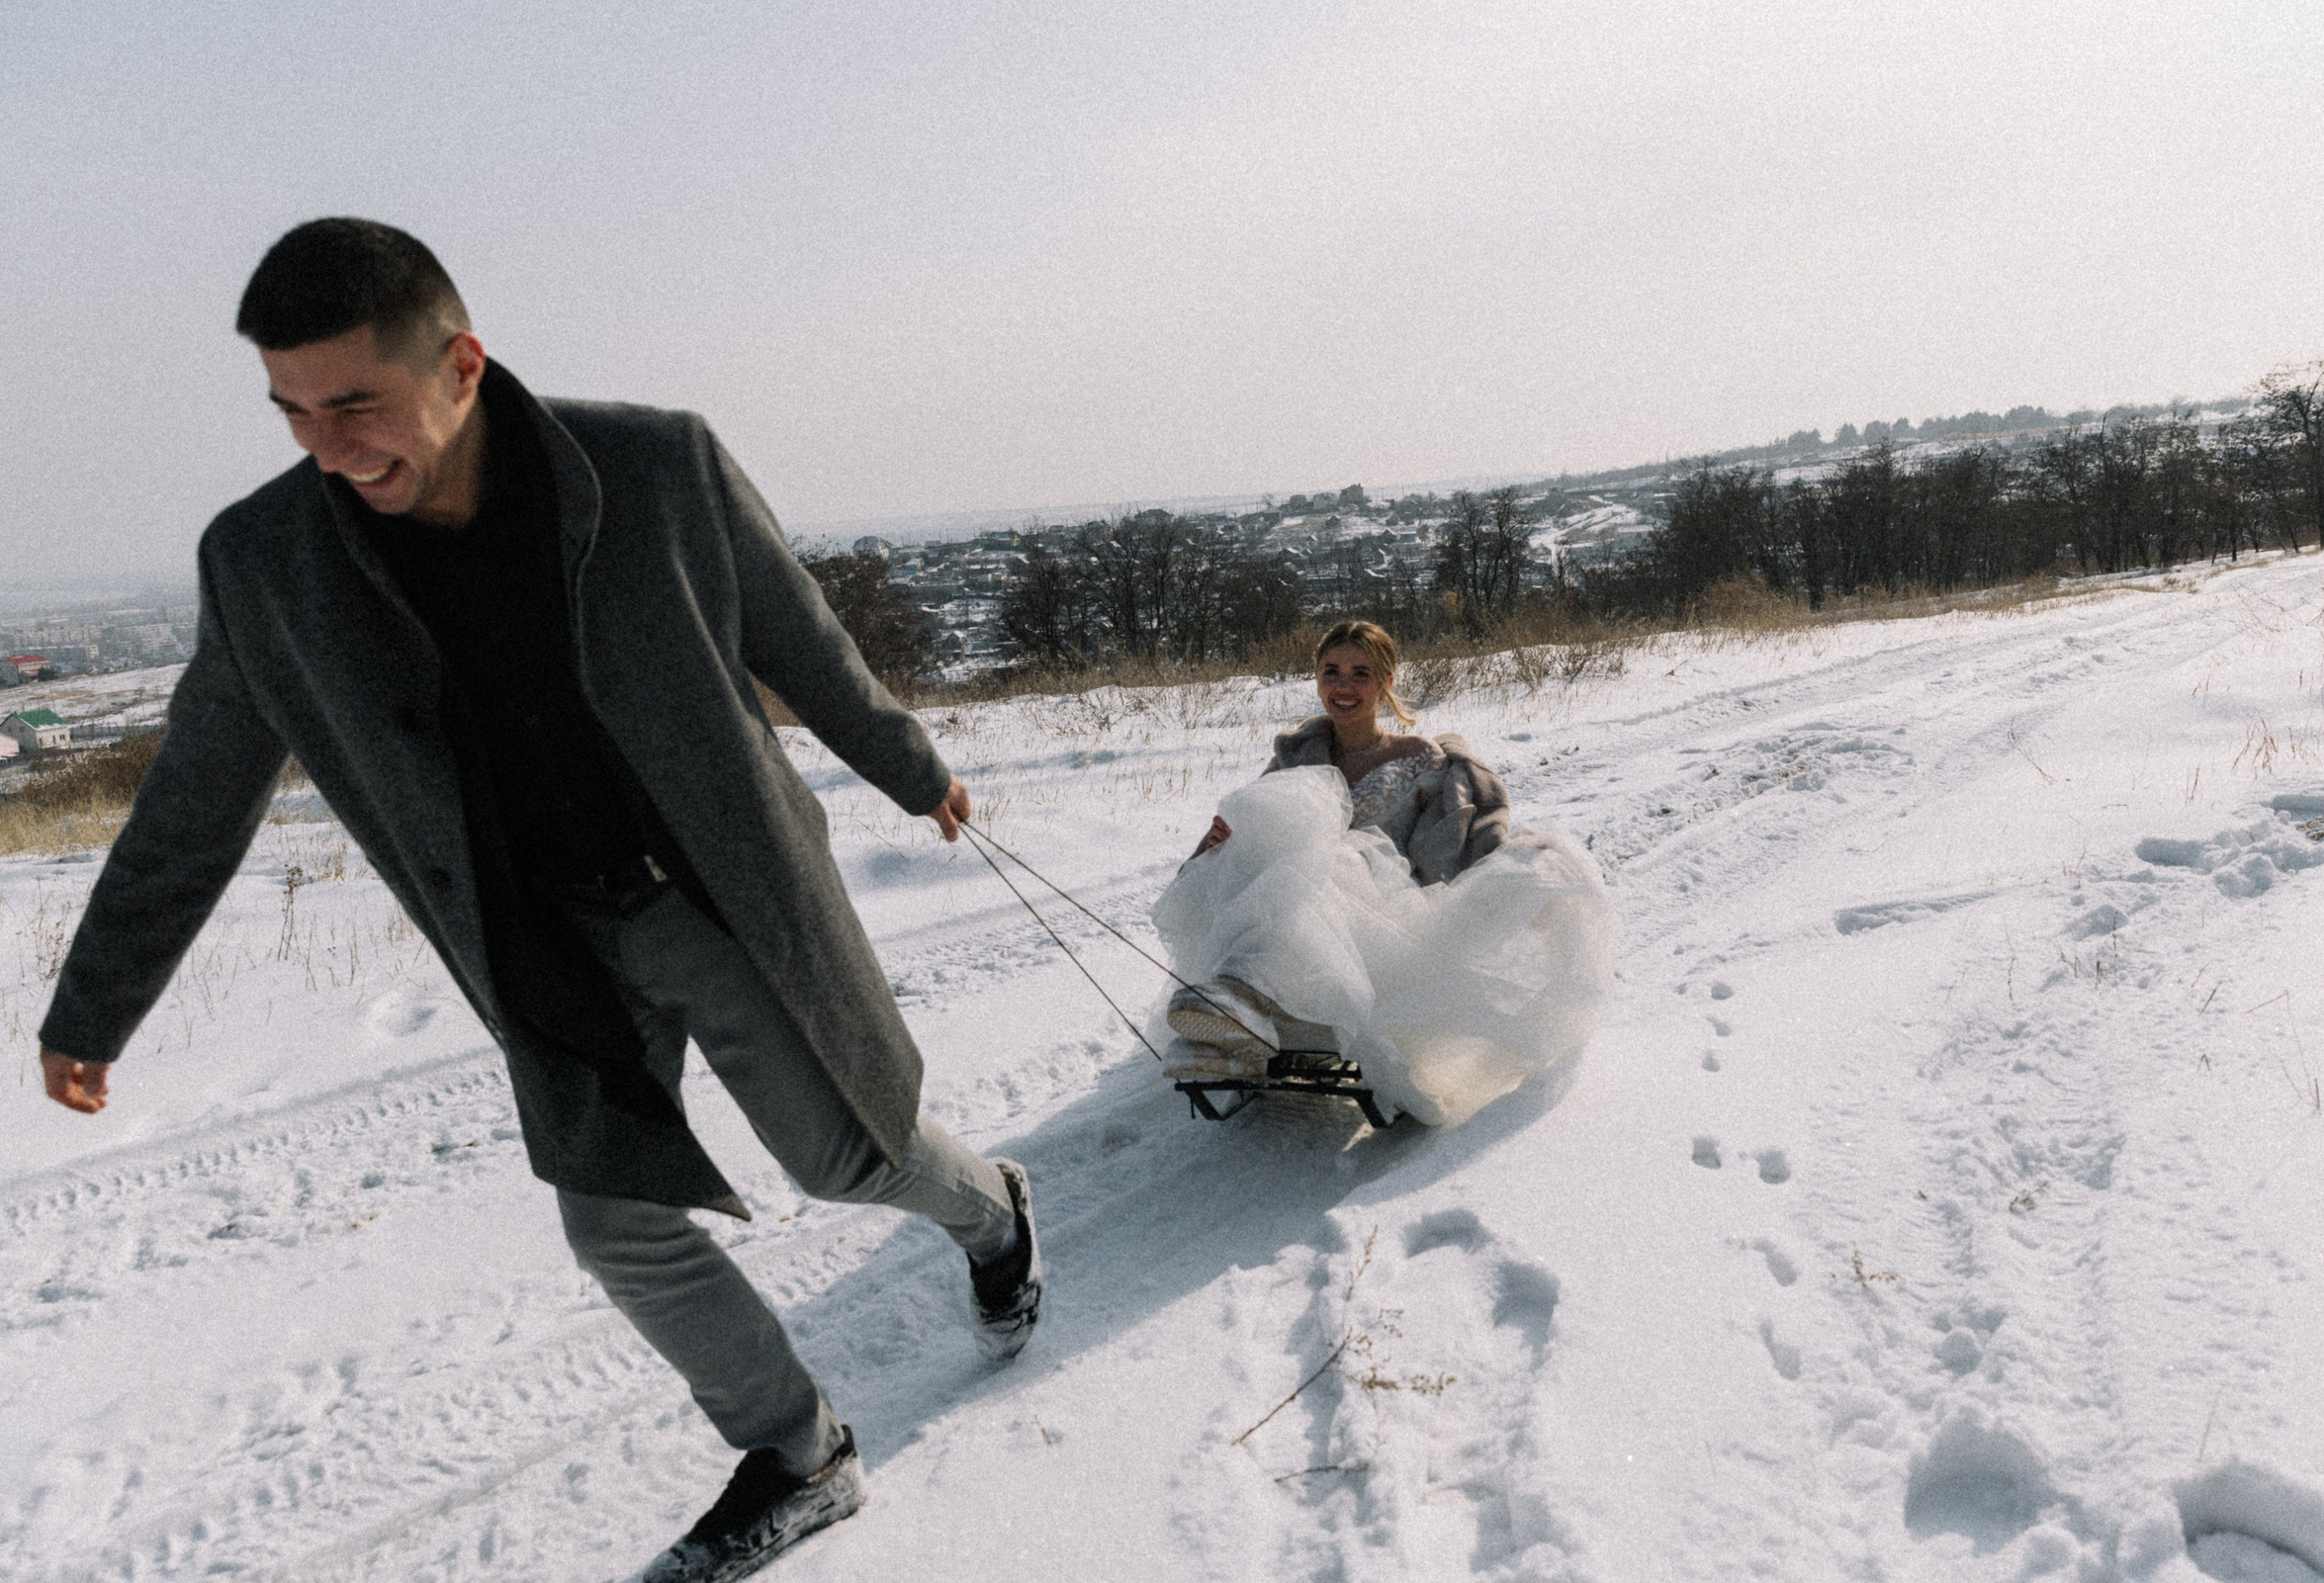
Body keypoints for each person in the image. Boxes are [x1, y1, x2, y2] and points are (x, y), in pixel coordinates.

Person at [33, 220, 1038, 1583]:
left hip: (710, 894)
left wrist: (911, 767)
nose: (326, 449)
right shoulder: (264, 563)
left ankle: (994, 1212)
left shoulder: (655, 465)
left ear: (460, 364)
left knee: (844, 1157)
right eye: (291, 412)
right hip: (535, 939)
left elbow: (796, 635)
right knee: (616, 1221)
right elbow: (192, 798)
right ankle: (799, 1450)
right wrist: (95, 1006)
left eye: (354, 404)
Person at [1154, 620, 1614, 1127]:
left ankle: (1242, 1003)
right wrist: (1225, 841)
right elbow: (1255, 835)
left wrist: (1508, 860)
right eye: (1331, 671)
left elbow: (1461, 838)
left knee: (1333, 860)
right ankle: (1238, 1015)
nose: (1344, 686)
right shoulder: (1295, 760)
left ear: (1387, 681)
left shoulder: (1421, 760)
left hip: (1381, 917)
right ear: (1316, 679)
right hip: (1297, 914)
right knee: (1287, 863)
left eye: (1361, 673)